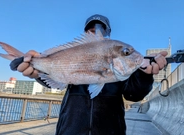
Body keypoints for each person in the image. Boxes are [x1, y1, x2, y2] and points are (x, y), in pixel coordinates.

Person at [13, 14, 167, 135]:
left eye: (101, 30)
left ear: (107, 35)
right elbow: (56, 81)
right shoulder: (75, 52)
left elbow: (134, 95)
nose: (96, 32)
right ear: (85, 33)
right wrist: (36, 72)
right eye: (91, 30)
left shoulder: (121, 72)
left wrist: (144, 75)